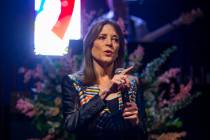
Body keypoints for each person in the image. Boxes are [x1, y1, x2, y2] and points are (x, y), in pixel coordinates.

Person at [62, 19, 147, 140]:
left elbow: (144, 134)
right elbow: (70, 125)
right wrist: (105, 92)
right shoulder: (74, 82)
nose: (110, 43)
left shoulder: (132, 83)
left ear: (118, 50)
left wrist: (136, 122)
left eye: (115, 39)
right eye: (102, 37)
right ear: (90, 45)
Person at [98, 0, 203, 42]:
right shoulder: (99, 23)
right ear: (109, 3)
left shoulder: (138, 23)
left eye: (124, 4)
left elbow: (144, 41)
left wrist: (179, 21)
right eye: (117, 3)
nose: (121, 7)